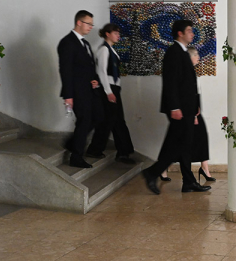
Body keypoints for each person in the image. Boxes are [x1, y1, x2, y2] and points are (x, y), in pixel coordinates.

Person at [142, 20, 211, 194]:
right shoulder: (173, 52)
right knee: (177, 145)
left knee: (184, 145)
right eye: (189, 31)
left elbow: (188, 84)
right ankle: (152, 173)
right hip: (179, 108)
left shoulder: (182, 52)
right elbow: (171, 82)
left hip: (186, 107)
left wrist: (195, 107)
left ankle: (188, 182)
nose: (192, 33)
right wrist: (174, 107)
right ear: (180, 33)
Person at [57, 10, 105, 169]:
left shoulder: (85, 43)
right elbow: (65, 70)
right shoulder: (67, 42)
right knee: (84, 121)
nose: (91, 27)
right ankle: (76, 157)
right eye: (88, 24)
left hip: (89, 90)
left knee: (98, 116)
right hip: (77, 91)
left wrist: (95, 80)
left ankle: (72, 143)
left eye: (92, 24)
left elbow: (89, 68)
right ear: (79, 22)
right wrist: (68, 95)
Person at [91, 23, 136, 164]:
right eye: (115, 33)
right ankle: (118, 152)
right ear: (107, 34)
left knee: (115, 120)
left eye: (118, 33)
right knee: (112, 120)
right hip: (109, 88)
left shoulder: (111, 50)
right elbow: (101, 72)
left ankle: (121, 152)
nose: (118, 36)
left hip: (113, 88)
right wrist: (108, 91)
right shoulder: (104, 50)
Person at [187, 47, 215, 183]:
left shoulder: (192, 71)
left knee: (201, 138)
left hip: (195, 110)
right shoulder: (187, 72)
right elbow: (188, 95)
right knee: (179, 142)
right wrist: (193, 115)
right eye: (195, 54)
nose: (198, 57)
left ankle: (205, 169)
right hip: (191, 112)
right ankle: (163, 168)